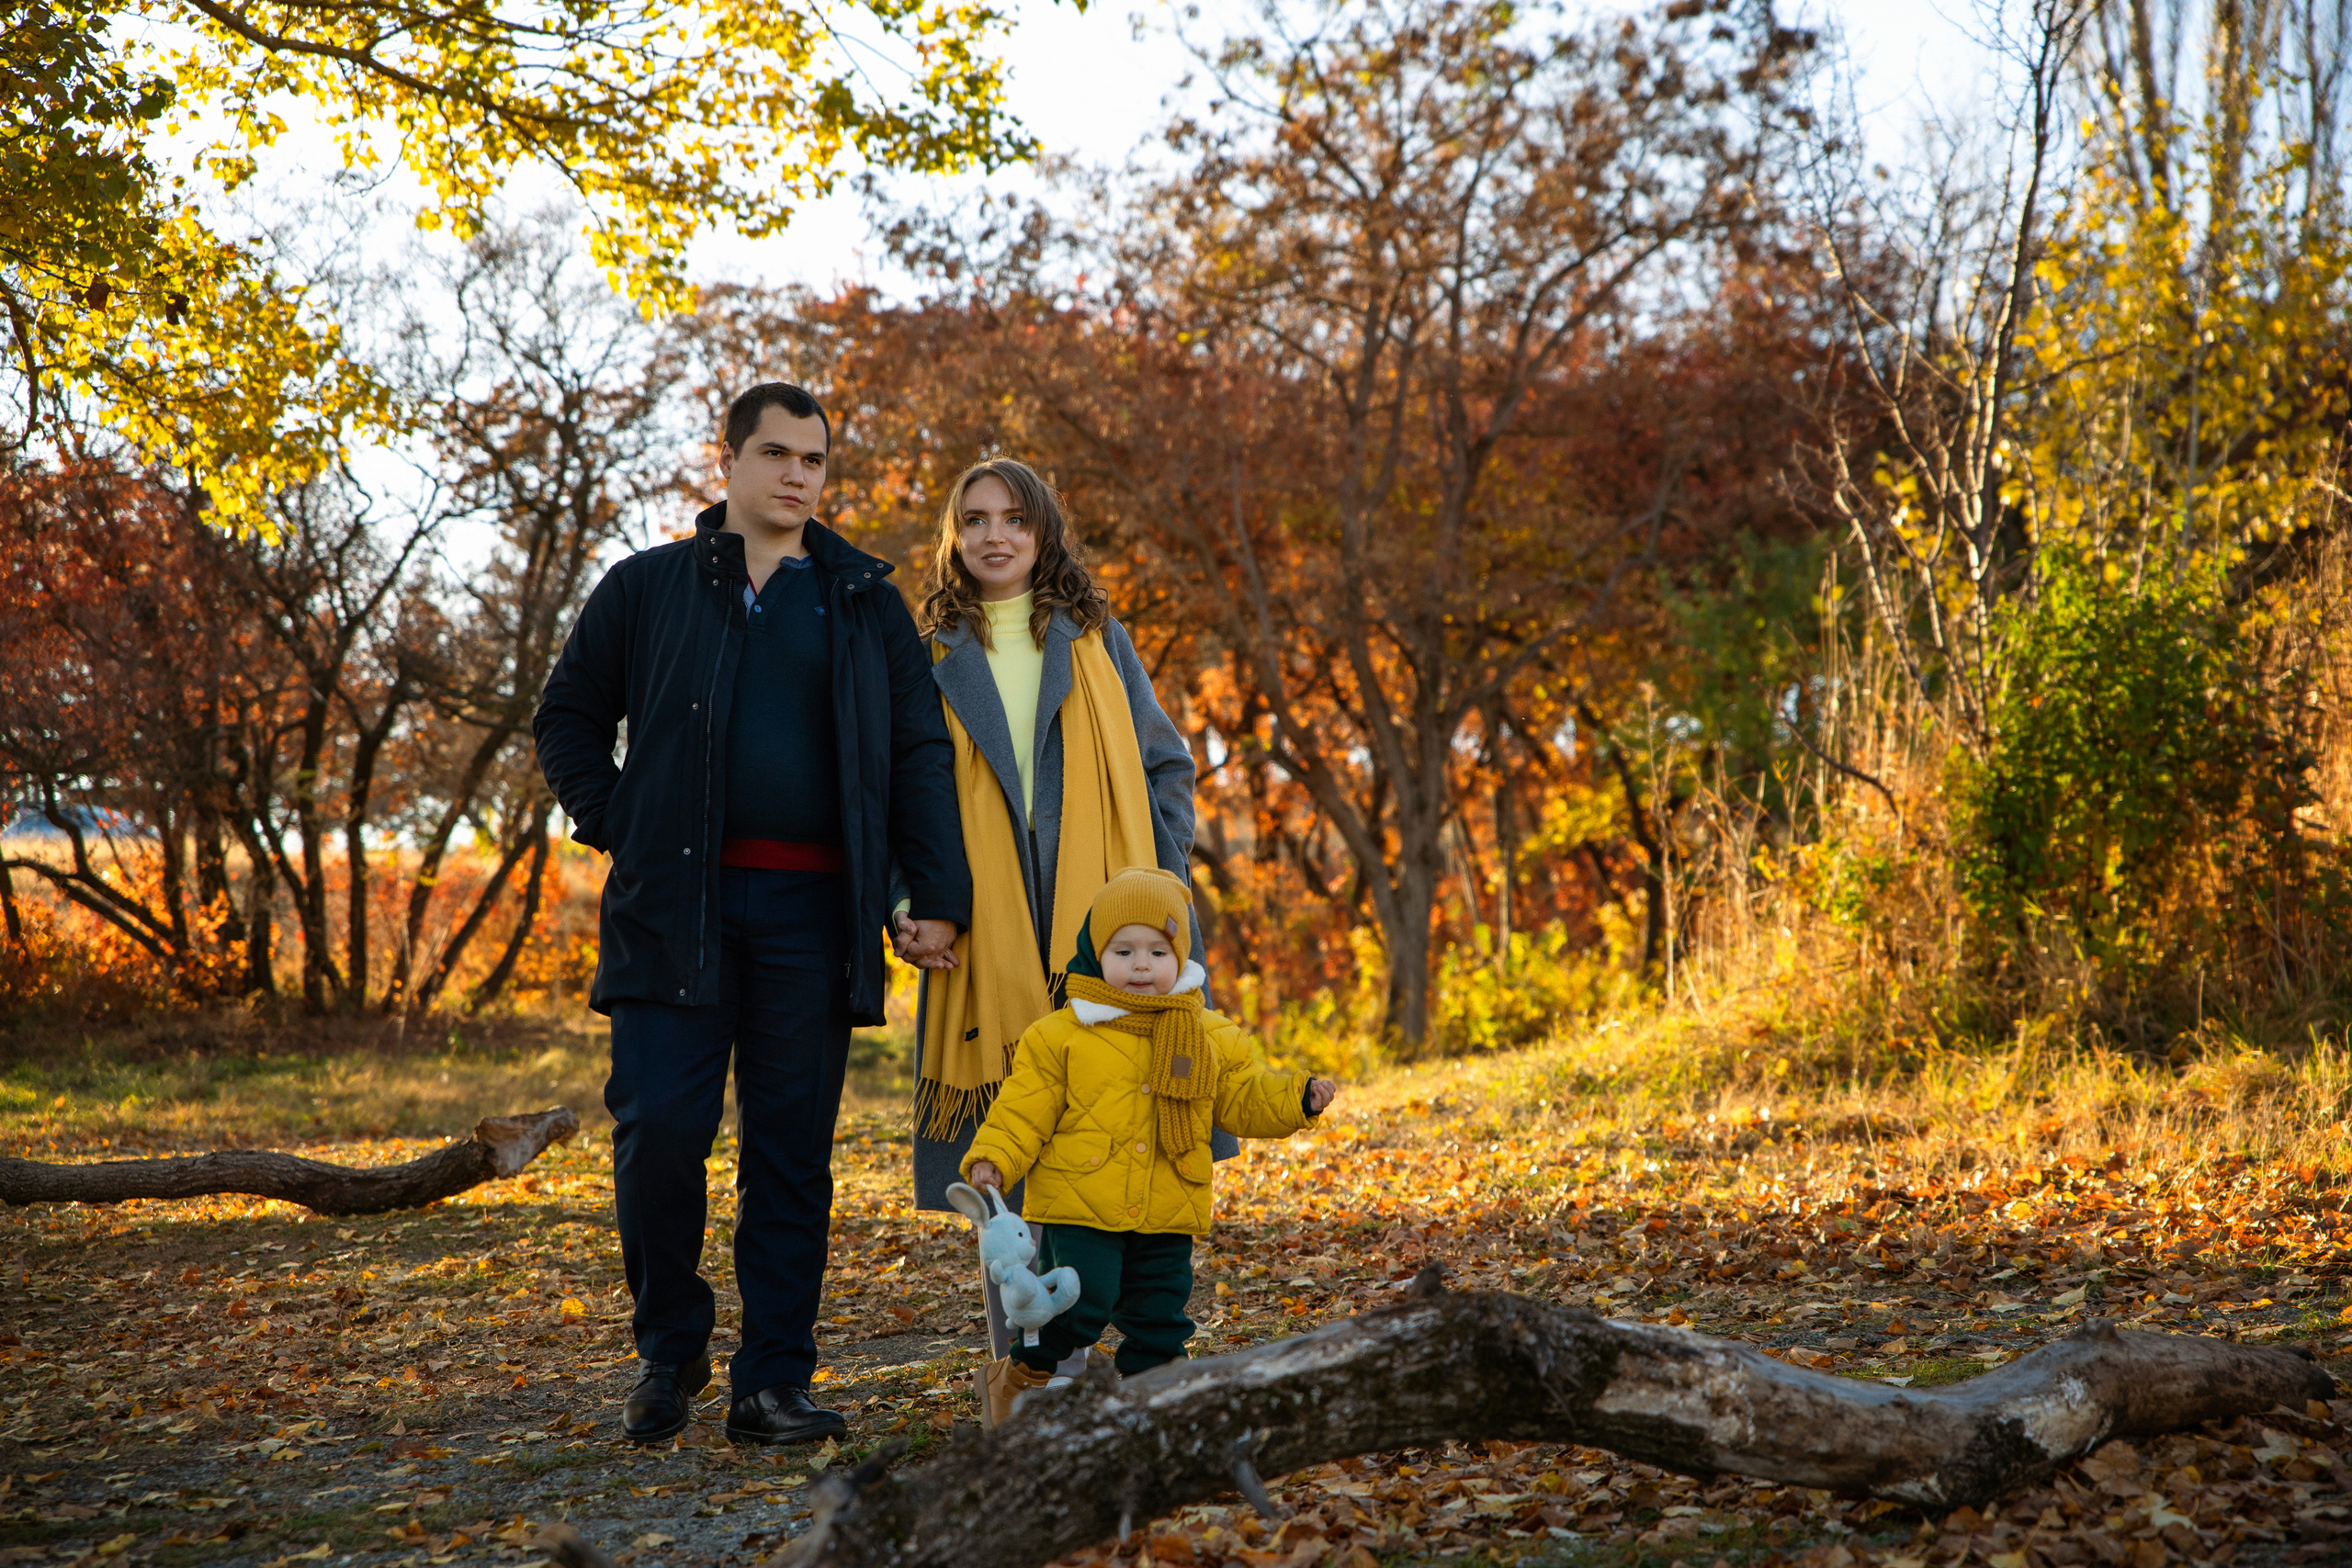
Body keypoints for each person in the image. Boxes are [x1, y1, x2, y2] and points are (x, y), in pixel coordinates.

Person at [533, 381, 967, 1447]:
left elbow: (917, 753)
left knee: (789, 1155)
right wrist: (617, 822)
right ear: (725, 460)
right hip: (671, 905)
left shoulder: (864, 602)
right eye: (775, 454)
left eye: (813, 461)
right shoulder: (646, 588)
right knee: (660, 1138)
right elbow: (569, 718)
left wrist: (934, 896)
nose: (795, 476)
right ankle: (667, 1348)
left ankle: (772, 1380)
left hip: (813, 914)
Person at [895, 457, 1236, 1335]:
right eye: (974, 519)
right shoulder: (927, 654)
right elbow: (905, 791)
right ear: (954, 536)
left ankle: (1125, 1341)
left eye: (1014, 518)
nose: (994, 535)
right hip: (987, 926)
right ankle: (1025, 1356)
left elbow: (1164, 760)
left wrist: (1163, 879)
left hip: (1110, 920)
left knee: (1105, 1116)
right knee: (1011, 1132)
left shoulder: (1095, 637)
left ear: (1043, 532)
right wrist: (905, 897)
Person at [962, 866, 1339, 1423]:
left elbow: (1240, 1097)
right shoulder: (1062, 1035)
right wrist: (996, 1156)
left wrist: (1295, 1098)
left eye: (1159, 952)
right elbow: (1025, 1106)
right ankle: (1023, 1382)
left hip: (1168, 1203)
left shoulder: (1209, 1034)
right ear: (1095, 953)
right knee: (1076, 1302)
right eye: (1124, 950)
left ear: (1180, 957)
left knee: (1161, 1314)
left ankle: (1153, 1404)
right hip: (1081, 1203)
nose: (1142, 965)